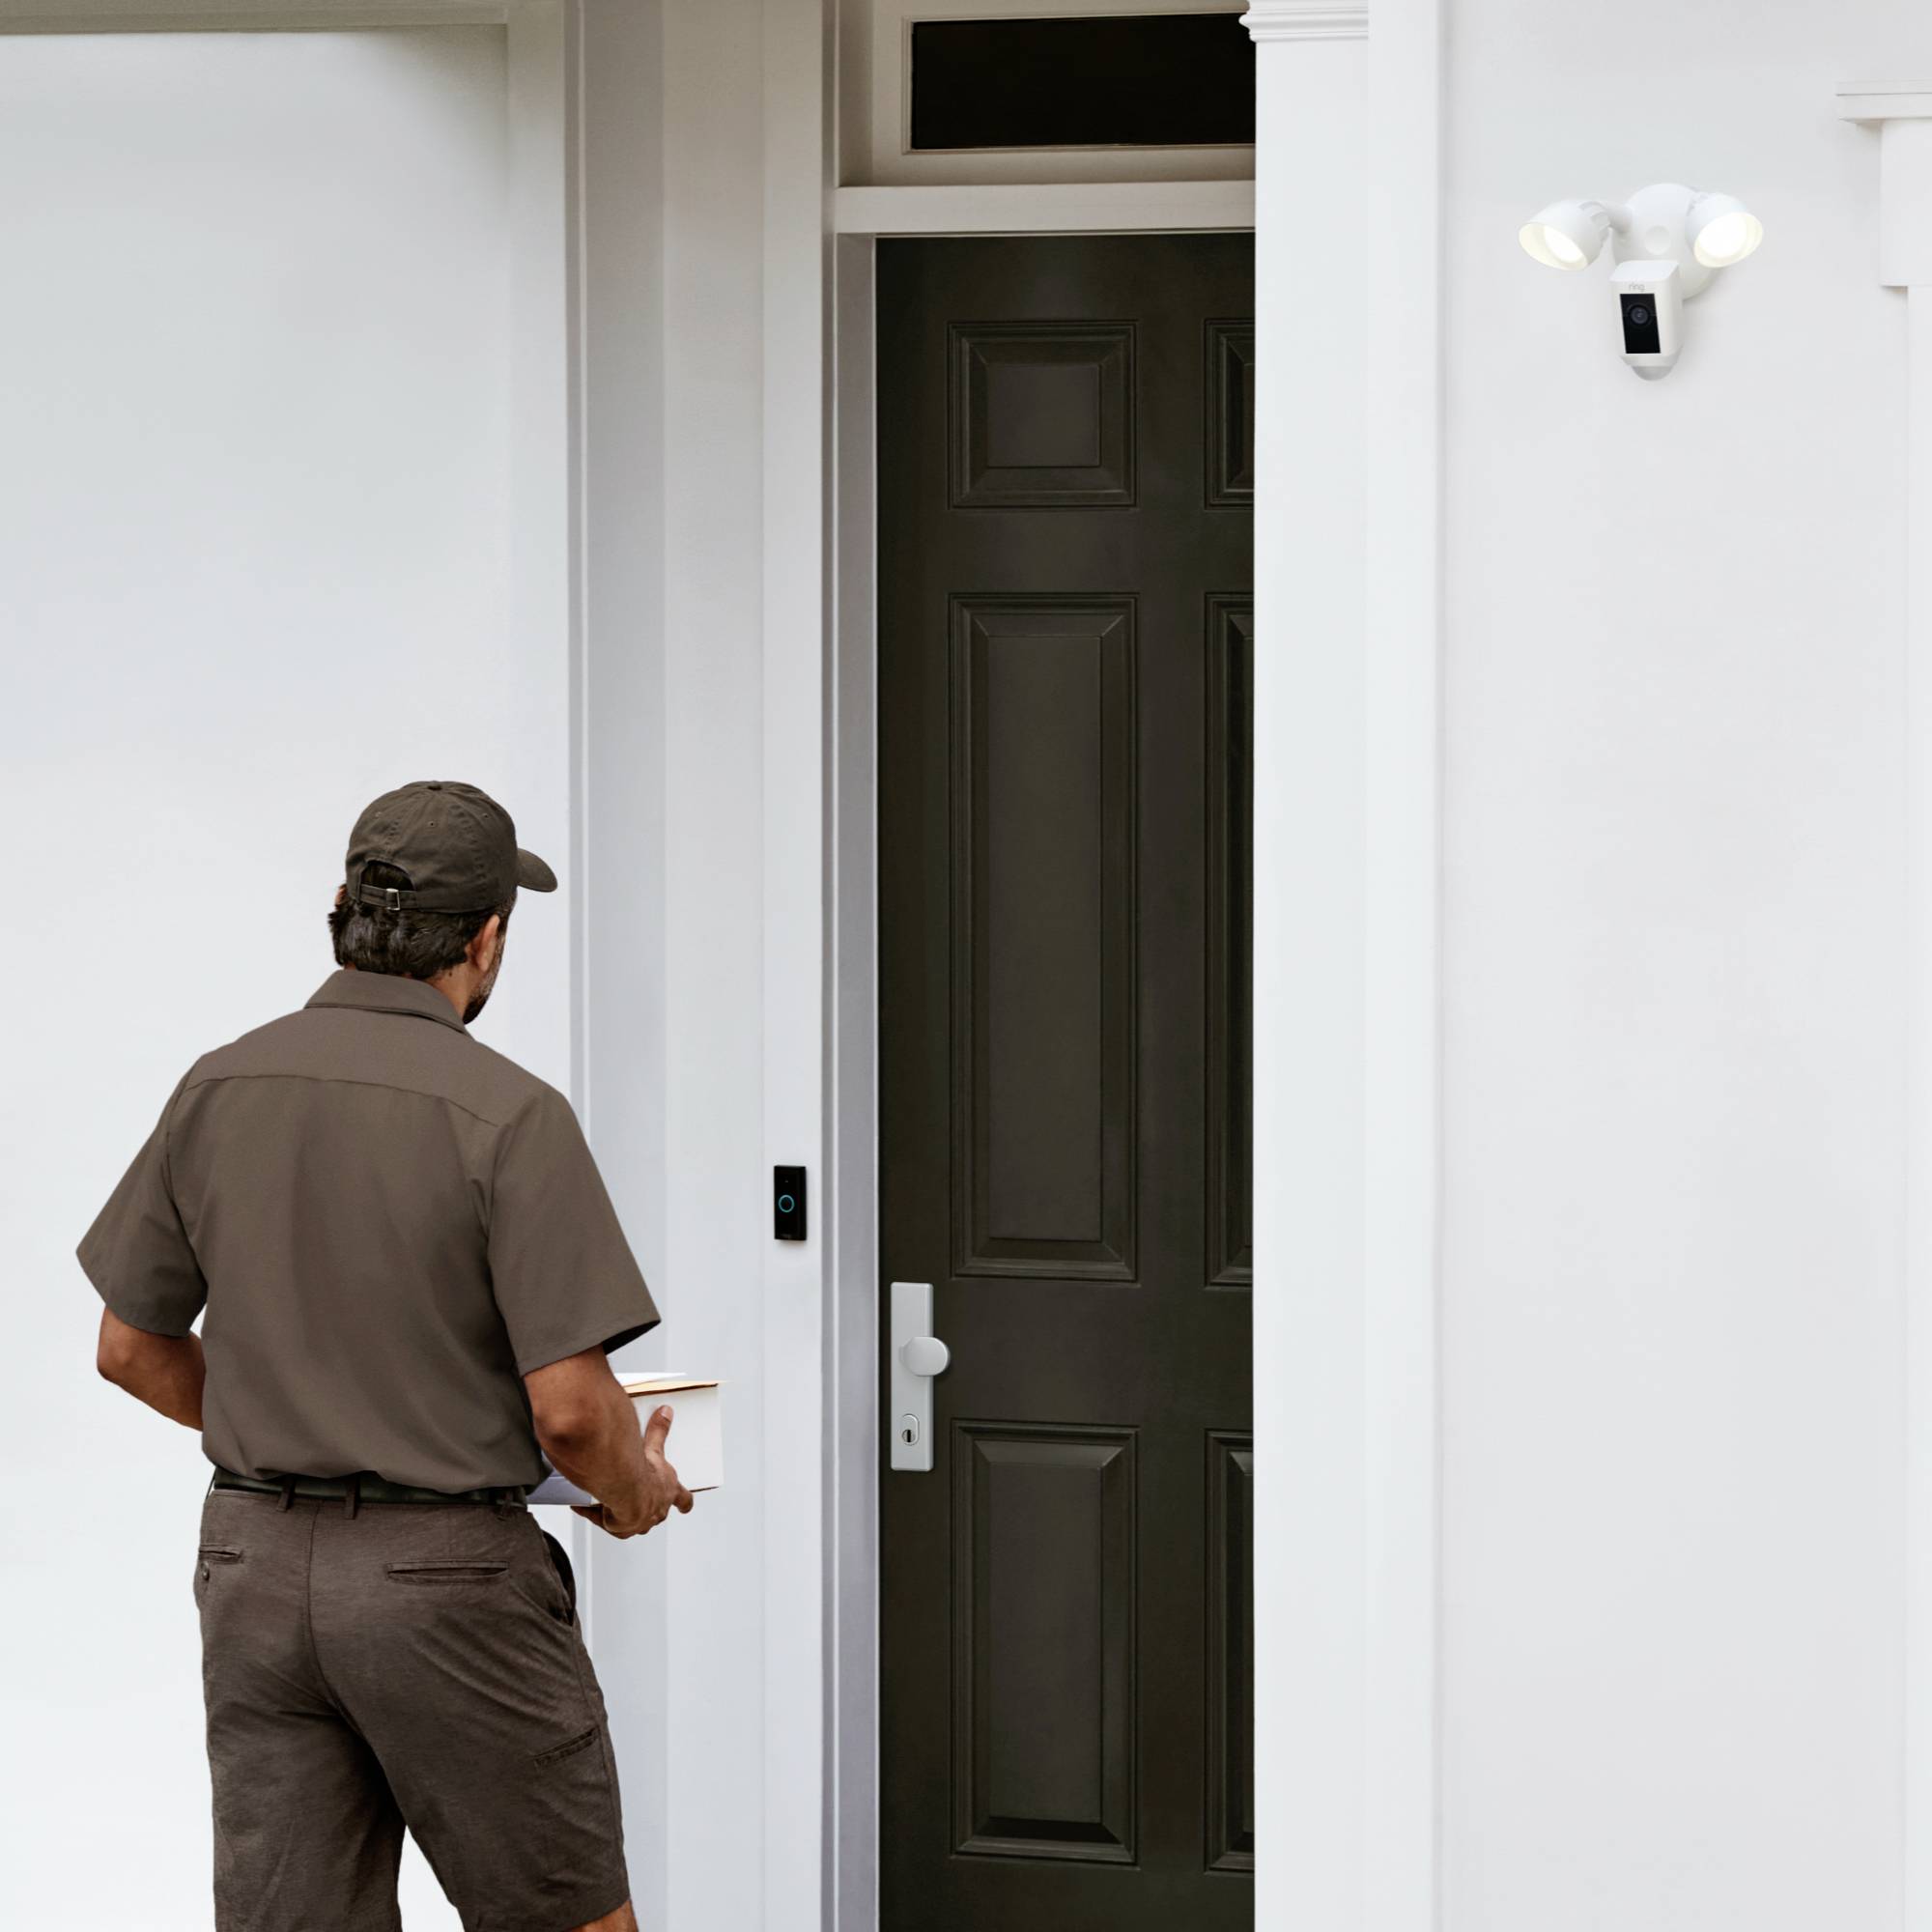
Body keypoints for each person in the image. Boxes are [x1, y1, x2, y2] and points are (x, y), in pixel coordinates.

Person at [79, 779, 688, 1932]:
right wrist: (633, 1489)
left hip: (252, 1569)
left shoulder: (218, 1082)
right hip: (446, 1583)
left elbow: (128, 1345)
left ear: (343, 913)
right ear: (486, 937)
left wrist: (291, 1415)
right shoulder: (510, 1113)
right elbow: (569, 1410)